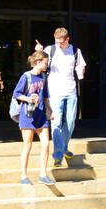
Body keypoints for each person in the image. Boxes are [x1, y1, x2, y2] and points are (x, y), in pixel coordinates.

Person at [41, 26, 85, 167]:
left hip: (71, 91)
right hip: (54, 92)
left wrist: (80, 71)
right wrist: (38, 51)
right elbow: (38, 63)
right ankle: (58, 155)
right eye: (56, 41)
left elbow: (80, 67)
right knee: (56, 122)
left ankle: (64, 148)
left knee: (71, 121)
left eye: (61, 42)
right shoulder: (50, 50)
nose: (59, 45)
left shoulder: (75, 51)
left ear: (67, 39)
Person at [13, 50, 52, 186]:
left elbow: (45, 95)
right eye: (45, 63)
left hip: (41, 114)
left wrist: (50, 110)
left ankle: (43, 174)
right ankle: (24, 175)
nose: (47, 65)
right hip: (28, 115)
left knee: (46, 144)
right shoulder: (26, 76)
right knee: (27, 145)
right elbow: (16, 94)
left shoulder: (43, 76)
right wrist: (29, 99)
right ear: (38, 62)